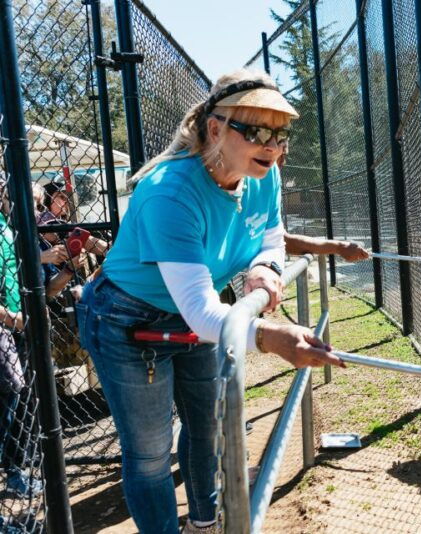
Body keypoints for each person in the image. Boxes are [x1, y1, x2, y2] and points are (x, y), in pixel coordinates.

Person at [77, 69, 344, 534]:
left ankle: (206, 523)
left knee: (207, 432)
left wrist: (265, 269)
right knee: (151, 453)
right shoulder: (168, 191)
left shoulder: (264, 174)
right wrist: (269, 336)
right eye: (257, 131)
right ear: (216, 128)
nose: (273, 146)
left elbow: (271, 236)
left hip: (203, 314)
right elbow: (199, 311)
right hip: (128, 319)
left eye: (281, 133)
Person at [0, 178, 42, 497]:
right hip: (7, 322)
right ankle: (12, 471)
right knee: (12, 387)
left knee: (16, 390)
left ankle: (14, 471)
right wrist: (10, 317)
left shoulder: (6, 221)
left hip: (15, 322)